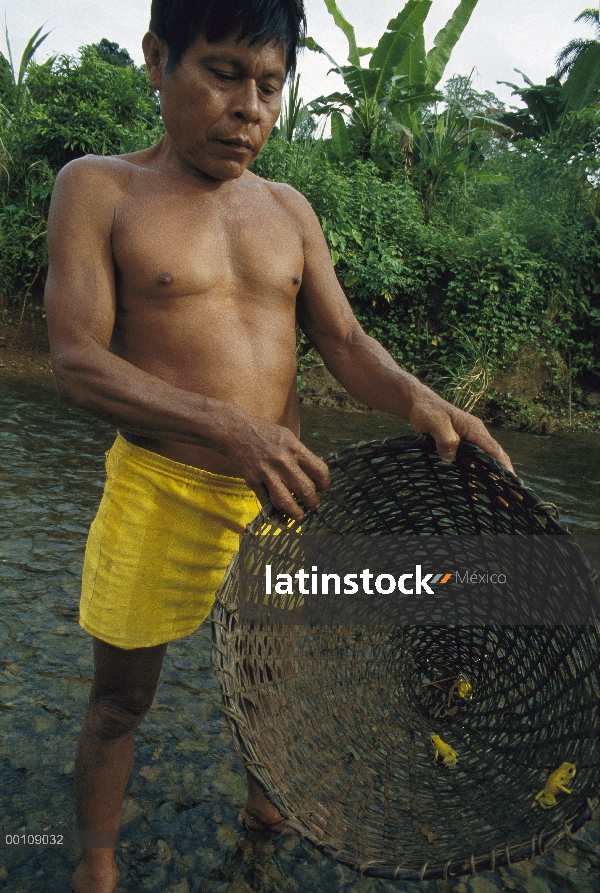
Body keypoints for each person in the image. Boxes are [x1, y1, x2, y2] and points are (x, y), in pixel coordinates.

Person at [44, 1, 513, 890]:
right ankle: (92, 866)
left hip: (280, 497)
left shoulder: (288, 209)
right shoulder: (99, 188)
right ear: (157, 59)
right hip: (160, 488)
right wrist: (231, 426)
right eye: (222, 73)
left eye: (270, 84)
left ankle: (266, 803)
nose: (249, 107)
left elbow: (345, 344)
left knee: (273, 681)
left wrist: (424, 399)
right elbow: (76, 359)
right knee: (119, 701)